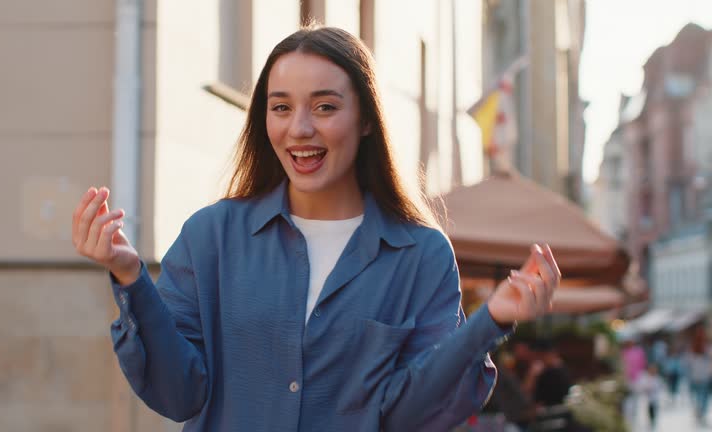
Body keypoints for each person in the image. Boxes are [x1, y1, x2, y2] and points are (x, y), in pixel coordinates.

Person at [71, 25, 561, 431]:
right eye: (281, 107)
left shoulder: (421, 255)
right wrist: (131, 276)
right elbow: (179, 394)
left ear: (366, 118)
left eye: (325, 107)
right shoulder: (211, 237)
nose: (299, 128)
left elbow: (411, 414)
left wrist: (491, 320)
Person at [636, 363, 663, 430]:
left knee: (653, 412)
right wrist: (646, 389)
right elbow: (640, 386)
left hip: (654, 399)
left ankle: (652, 424)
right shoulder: (644, 377)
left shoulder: (657, 378)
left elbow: (659, 388)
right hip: (645, 400)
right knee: (646, 413)